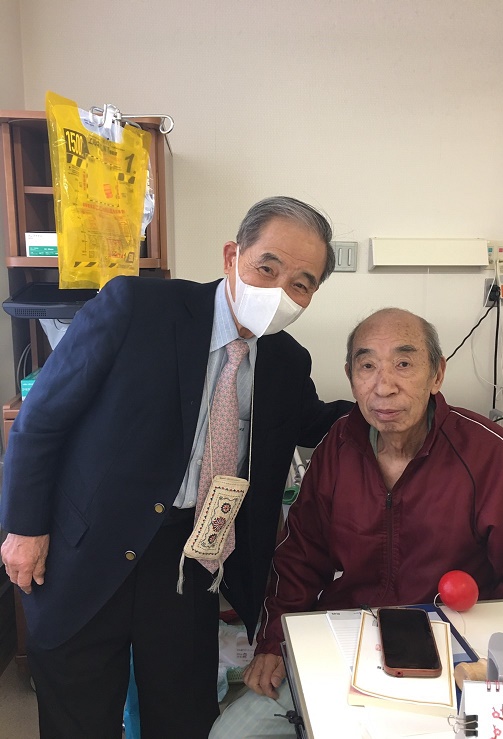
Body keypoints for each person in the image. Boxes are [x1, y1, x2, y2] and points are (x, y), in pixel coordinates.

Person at [0, 196, 352, 739]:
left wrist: (383, 406)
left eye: (301, 284)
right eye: (268, 268)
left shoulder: (286, 361)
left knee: (183, 714)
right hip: (88, 543)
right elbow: (42, 419)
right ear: (232, 255)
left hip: (188, 556)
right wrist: (24, 528)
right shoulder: (137, 307)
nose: (281, 292)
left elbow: (312, 422)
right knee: (79, 715)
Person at [210, 307, 503, 739]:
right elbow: (300, 556)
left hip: (459, 647)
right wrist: (273, 641)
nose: (384, 386)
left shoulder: (488, 452)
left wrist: (500, 663)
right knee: (230, 734)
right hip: (351, 636)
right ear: (351, 376)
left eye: (404, 364)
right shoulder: (338, 446)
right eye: (367, 366)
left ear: (437, 374)